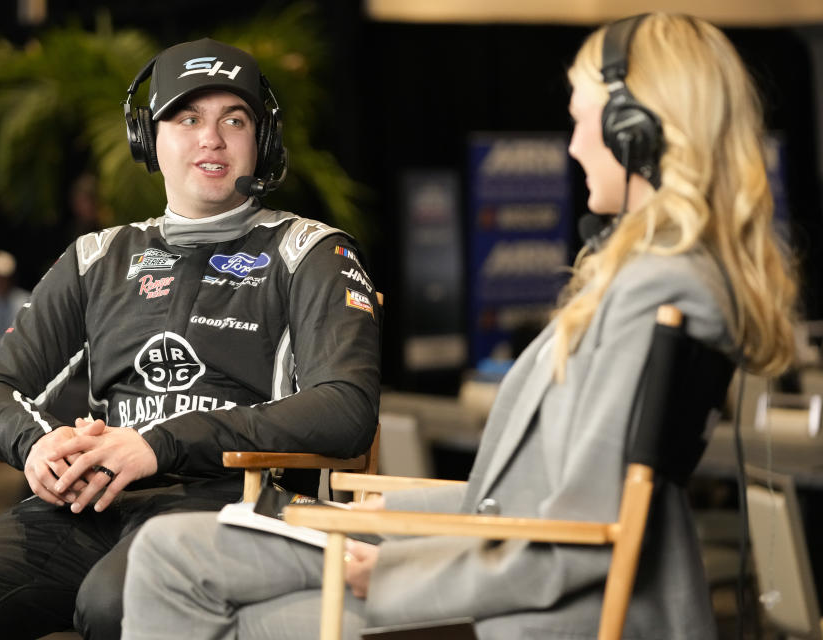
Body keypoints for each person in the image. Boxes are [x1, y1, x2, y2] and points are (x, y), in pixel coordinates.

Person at [119, 13, 797, 640]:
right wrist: (397, 514)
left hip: (530, 608)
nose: (576, 145)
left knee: (192, 580)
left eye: (585, 122)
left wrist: (386, 570)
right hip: (492, 557)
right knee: (172, 550)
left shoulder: (656, 290)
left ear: (637, 132)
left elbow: (578, 534)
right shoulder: (660, 279)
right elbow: (539, 498)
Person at [0, 37, 380, 640]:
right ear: (150, 139)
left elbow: (346, 408)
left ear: (262, 141)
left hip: (236, 500)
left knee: (116, 601)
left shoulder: (312, 253)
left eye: (235, 119)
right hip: (92, 504)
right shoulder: (98, 257)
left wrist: (160, 443)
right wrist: (42, 448)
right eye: (187, 118)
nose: (211, 139)